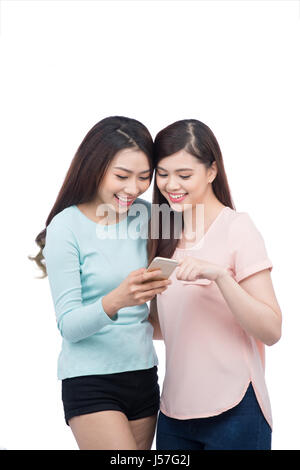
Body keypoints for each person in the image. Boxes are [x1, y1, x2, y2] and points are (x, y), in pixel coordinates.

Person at [29, 116, 171, 450]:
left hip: (144, 373)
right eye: (122, 176)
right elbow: (69, 326)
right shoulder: (66, 227)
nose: (133, 188)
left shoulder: (149, 216)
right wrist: (117, 299)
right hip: (91, 380)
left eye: (143, 178)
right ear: (95, 167)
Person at [147, 119, 282, 450]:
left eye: (184, 174)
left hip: (236, 409)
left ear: (211, 172)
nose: (171, 184)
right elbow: (162, 328)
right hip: (174, 414)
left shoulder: (237, 228)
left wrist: (221, 277)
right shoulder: (161, 233)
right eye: (162, 174)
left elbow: (272, 330)